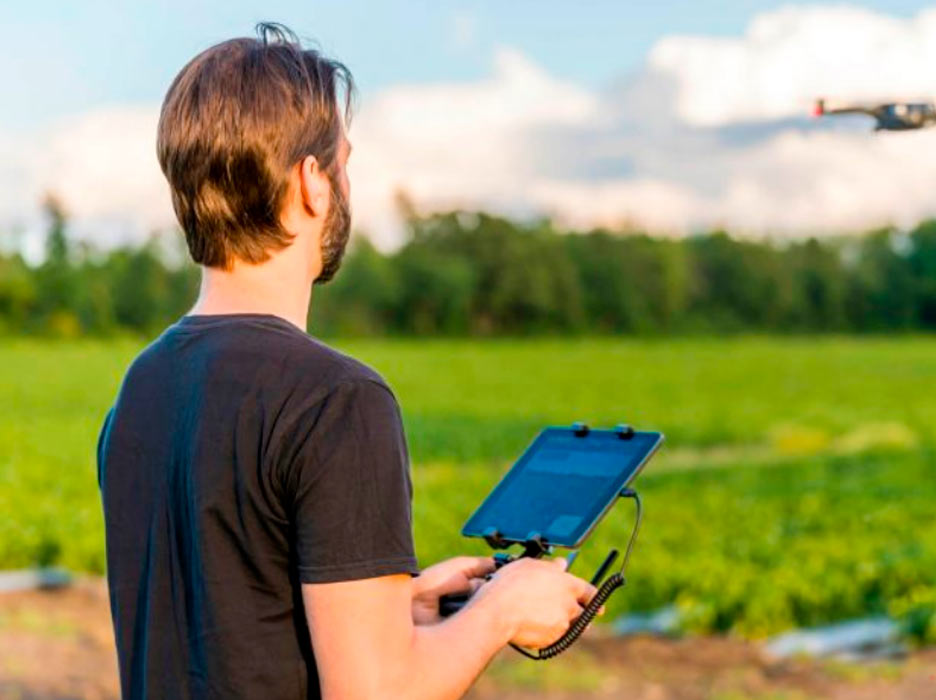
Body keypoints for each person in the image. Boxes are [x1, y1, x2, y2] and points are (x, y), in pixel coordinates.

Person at [96, 23, 596, 700]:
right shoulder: (337, 400)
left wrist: (405, 606)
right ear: (312, 184)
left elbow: (229, 623)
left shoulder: (142, 386)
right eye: (343, 162)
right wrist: (505, 607)